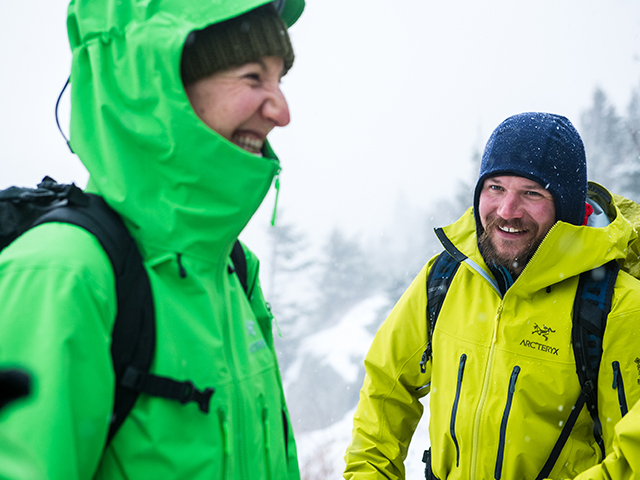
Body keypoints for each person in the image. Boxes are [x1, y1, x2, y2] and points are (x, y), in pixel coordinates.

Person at [0, 0, 304, 478]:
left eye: (279, 80)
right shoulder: (65, 274)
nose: (281, 111)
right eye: (252, 77)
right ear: (156, 84)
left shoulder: (231, 269)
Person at [343, 112, 640, 479]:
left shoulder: (618, 304)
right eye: (495, 188)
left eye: (531, 193)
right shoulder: (446, 277)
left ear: (566, 205)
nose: (506, 211)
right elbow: (386, 390)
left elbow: (631, 458)